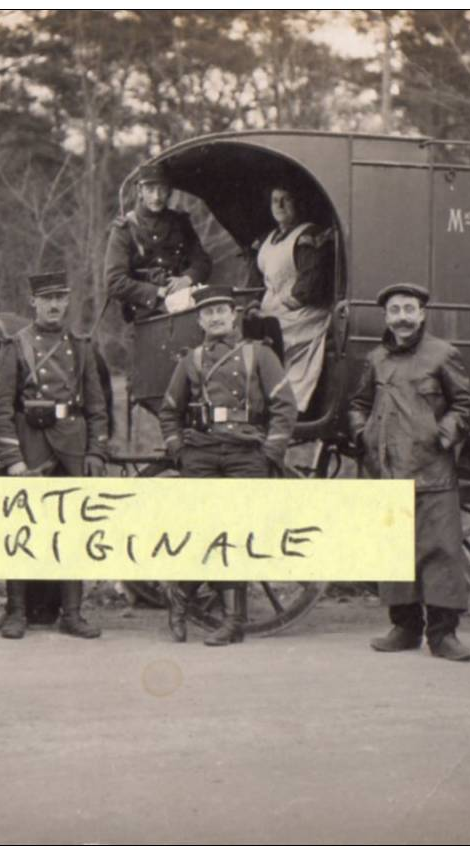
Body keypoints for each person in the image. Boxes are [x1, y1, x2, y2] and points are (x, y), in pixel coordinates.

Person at [157, 285, 298, 645]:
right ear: (200, 320)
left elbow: (284, 405)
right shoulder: (191, 361)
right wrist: (178, 449)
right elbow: (170, 410)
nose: (216, 317)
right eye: (208, 313)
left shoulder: (259, 355)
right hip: (202, 451)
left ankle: (230, 620)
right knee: (203, 528)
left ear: (233, 314)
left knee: (236, 532)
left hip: (245, 453)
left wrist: (271, 452)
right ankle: (181, 599)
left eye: (222, 310)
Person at [349, 283, 470, 662]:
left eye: (409, 309)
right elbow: (359, 403)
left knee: (440, 552)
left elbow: (466, 405)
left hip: (433, 472)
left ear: (422, 313)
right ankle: (404, 628)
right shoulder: (376, 359)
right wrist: (364, 432)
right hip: (389, 473)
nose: (402, 318)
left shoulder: (443, 355)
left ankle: (443, 636)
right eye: (395, 311)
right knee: (394, 552)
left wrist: (442, 436)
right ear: (386, 317)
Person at [0, 271, 109, 639]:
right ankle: (16, 612)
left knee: (71, 529)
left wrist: (96, 452)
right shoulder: (14, 346)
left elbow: (96, 405)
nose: (54, 305)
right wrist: (14, 460)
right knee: (21, 529)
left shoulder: (83, 346)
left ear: (68, 300)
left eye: (60, 297)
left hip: (72, 448)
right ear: (33, 302)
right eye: (47, 298)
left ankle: (72, 613)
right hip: (29, 446)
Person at [253, 184, 335, 413]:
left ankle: (280, 403)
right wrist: (253, 304)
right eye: (274, 200)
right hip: (275, 309)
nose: (278, 206)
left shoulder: (309, 236)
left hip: (305, 313)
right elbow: (256, 280)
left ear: (299, 203)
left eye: (286, 200)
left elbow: (310, 286)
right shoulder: (269, 239)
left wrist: (275, 308)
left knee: (269, 334)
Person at [104, 161, 212, 322]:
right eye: (150, 190)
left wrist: (187, 279)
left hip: (185, 308)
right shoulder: (125, 229)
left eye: (162, 189)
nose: (156, 197)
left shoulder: (180, 223)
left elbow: (202, 261)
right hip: (145, 315)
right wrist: (156, 292)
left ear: (169, 191)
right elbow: (114, 282)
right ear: (140, 191)